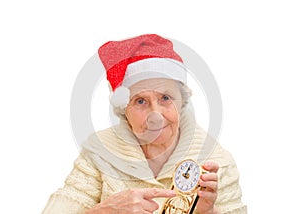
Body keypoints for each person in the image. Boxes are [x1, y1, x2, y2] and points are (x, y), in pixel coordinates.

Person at [43, 34, 247, 213]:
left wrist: (209, 213)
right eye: (141, 101)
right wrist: (105, 212)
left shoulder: (218, 161)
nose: (155, 115)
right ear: (124, 110)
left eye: (165, 98)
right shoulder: (99, 152)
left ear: (182, 101)